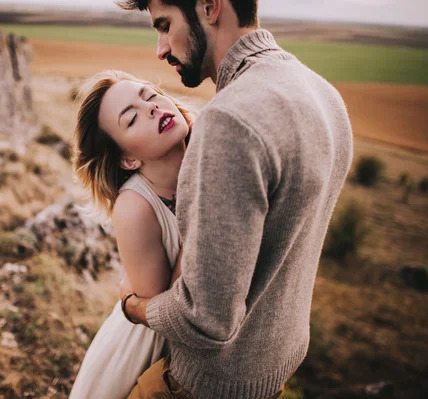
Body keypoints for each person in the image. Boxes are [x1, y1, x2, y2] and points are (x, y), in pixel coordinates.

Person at [115, 1, 354, 398]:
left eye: (164, 25)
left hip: (204, 386)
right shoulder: (322, 92)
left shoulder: (229, 120)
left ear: (209, 6)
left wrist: (133, 306)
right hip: (273, 371)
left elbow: (205, 320)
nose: (160, 48)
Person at [69, 70, 193, 398]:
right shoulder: (134, 207)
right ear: (128, 158)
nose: (151, 108)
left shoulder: (211, 149)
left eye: (150, 96)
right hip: (146, 354)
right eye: (131, 118)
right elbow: (166, 309)